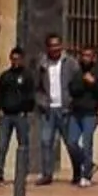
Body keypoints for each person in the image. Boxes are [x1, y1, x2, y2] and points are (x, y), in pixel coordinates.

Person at [0, 46, 35, 186]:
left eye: (18, 59)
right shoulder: (5, 76)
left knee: (23, 145)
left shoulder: (27, 76)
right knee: (2, 145)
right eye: (13, 59)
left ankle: (23, 173)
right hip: (6, 116)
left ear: (22, 60)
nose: (15, 61)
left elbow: (31, 95)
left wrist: (26, 109)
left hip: (20, 115)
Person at [65, 46, 98, 187]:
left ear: (93, 57)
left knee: (87, 143)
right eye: (83, 55)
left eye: (89, 55)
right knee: (71, 142)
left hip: (90, 113)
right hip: (75, 112)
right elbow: (72, 89)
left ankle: (86, 175)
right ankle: (89, 165)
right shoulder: (77, 72)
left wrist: (93, 83)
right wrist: (83, 82)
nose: (85, 58)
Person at [37, 33, 71, 186]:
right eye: (52, 46)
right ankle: (46, 174)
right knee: (46, 142)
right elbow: (36, 87)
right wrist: (42, 102)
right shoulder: (42, 65)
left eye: (58, 45)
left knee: (71, 142)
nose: (55, 48)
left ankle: (81, 171)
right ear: (48, 48)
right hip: (48, 110)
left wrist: (71, 102)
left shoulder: (70, 63)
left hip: (65, 109)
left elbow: (76, 83)